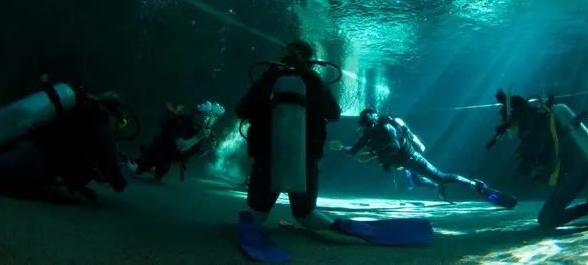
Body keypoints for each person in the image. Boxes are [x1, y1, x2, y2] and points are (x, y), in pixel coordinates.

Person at [0, 71, 128, 201]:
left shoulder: (81, 107)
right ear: (115, 113)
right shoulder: (101, 127)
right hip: (34, 161)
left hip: (26, 142)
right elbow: (118, 183)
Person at [490, 89, 588, 228]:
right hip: (571, 172)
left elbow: (554, 145)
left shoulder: (538, 125)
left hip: (575, 172)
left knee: (546, 220)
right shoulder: (535, 125)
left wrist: (535, 168)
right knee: (545, 219)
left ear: (515, 116)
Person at [236, 39, 341, 230]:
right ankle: (338, 229)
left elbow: (241, 111)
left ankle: (252, 223)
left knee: (257, 212)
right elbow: (334, 115)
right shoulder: (316, 82)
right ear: (309, 60)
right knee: (306, 215)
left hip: (267, 154)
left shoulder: (267, 79)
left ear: (282, 56)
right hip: (305, 155)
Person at [337, 108, 517, 208]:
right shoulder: (369, 133)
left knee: (441, 177)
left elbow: (395, 147)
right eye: (364, 128)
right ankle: (438, 187)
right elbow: (354, 150)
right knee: (418, 182)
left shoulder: (386, 128)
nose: (366, 131)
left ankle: (475, 185)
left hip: (411, 158)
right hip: (402, 163)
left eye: (367, 126)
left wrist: (374, 153)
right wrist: (342, 148)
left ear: (373, 123)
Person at [128, 100, 223, 181]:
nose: (209, 121)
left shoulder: (199, 131)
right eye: (208, 117)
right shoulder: (183, 123)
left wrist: (208, 149)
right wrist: (199, 137)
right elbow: (180, 145)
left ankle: (144, 167)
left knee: (160, 171)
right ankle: (134, 164)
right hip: (158, 152)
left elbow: (192, 156)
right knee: (137, 167)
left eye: (213, 118)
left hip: (167, 158)